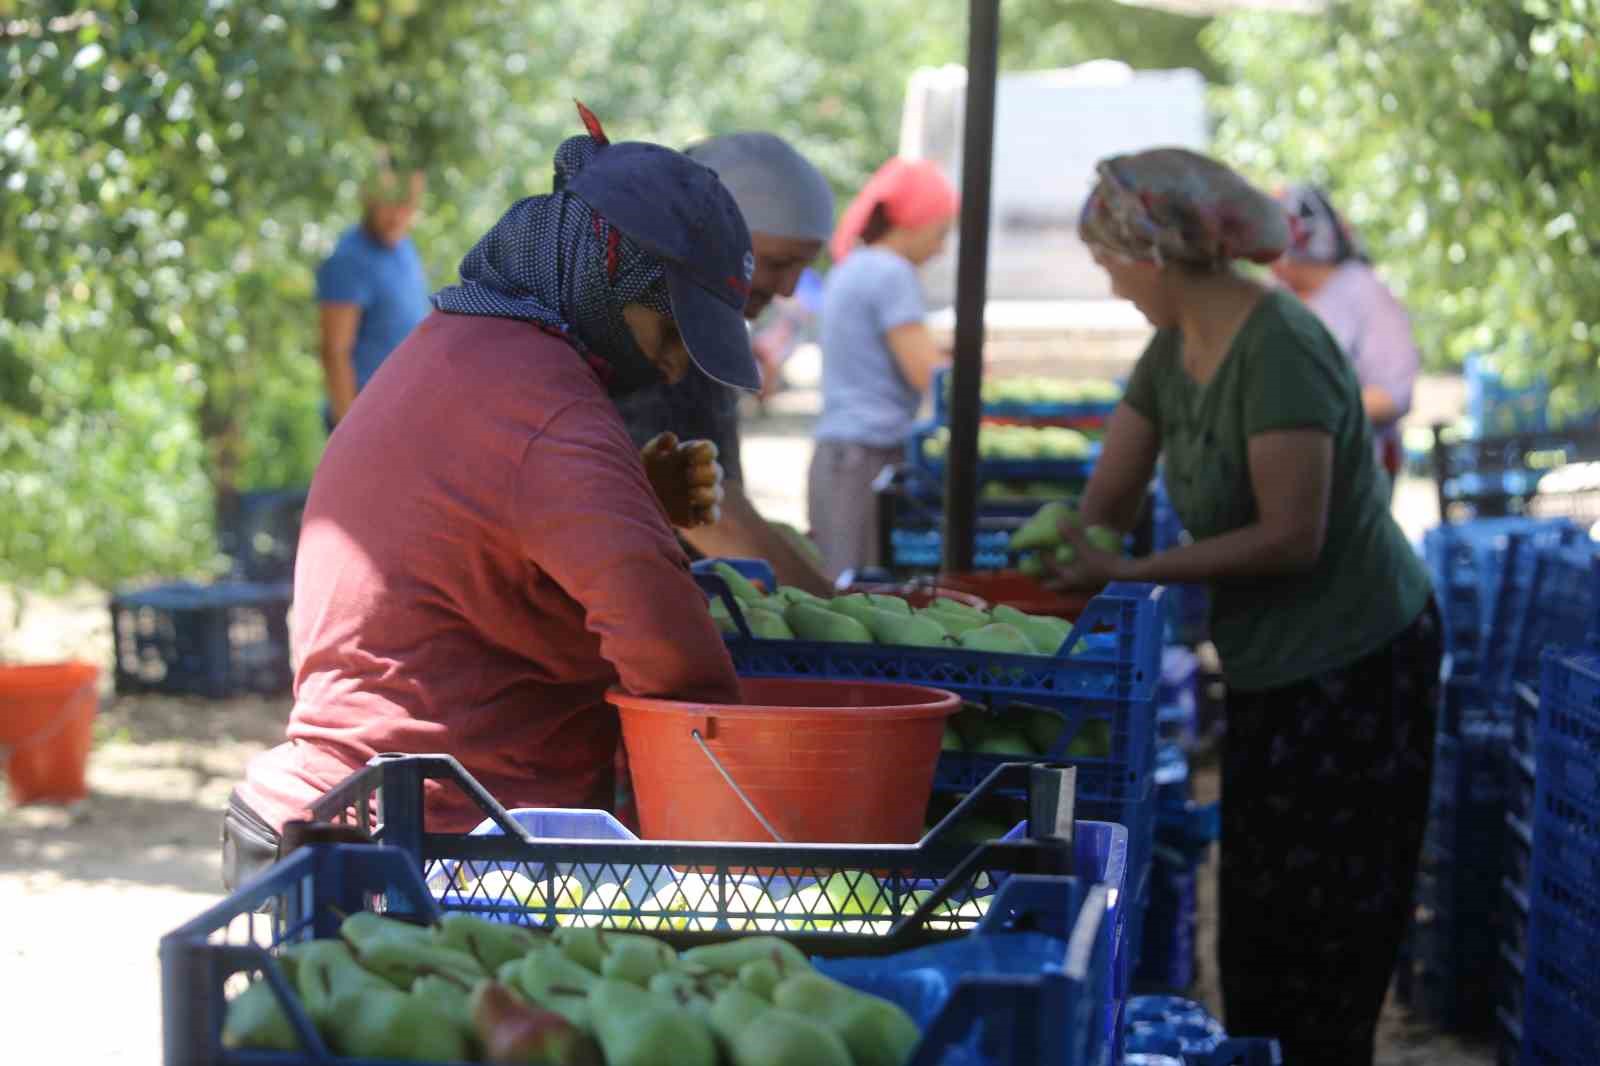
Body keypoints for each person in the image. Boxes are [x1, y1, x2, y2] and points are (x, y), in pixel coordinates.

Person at [221, 107, 758, 890]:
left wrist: (631, 494)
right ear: (606, 273)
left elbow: (477, 533)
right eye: (671, 332)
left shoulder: (459, 345)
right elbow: (677, 667)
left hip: (335, 820)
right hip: (423, 861)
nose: (676, 369)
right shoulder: (550, 412)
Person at [1048, 148, 1439, 1066]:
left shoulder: (1281, 349)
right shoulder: (1171, 348)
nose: (1112, 288)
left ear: (1158, 254)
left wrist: (1135, 564)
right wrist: (1059, 550)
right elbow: (1107, 492)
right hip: (1270, 663)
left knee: (1330, 931)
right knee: (1260, 918)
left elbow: (1289, 535)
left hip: (1357, 663)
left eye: (1110, 267)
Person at [613, 132, 838, 596]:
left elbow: (717, 494)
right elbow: (705, 514)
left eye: (804, 266)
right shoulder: (640, 326)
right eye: (777, 263)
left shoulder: (710, 323)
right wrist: (836, 611)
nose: (790, 290)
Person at [809, 157, 958, 577]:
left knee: (839, 584)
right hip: (864, 460)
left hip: (839, 455)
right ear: (914, 220)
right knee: (860, 591)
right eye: (940, 231)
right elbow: (926, 373)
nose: (941, 247)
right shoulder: (892, 274)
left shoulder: (854, 266)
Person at [1272, 184, 1420, 497]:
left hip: (1356, 479)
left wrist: (1302, 410)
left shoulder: (1364, 293)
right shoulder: (1276, 298)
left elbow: (1393, 395)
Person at [314, 164, 431, 431]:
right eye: (390, 203)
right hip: (368, 424)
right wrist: (351, 435)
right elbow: (334, 353)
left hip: (406, 414)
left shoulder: (403, 246)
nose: (398, 216)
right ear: (369, 197)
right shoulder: (349, 260)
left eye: (408, 205)